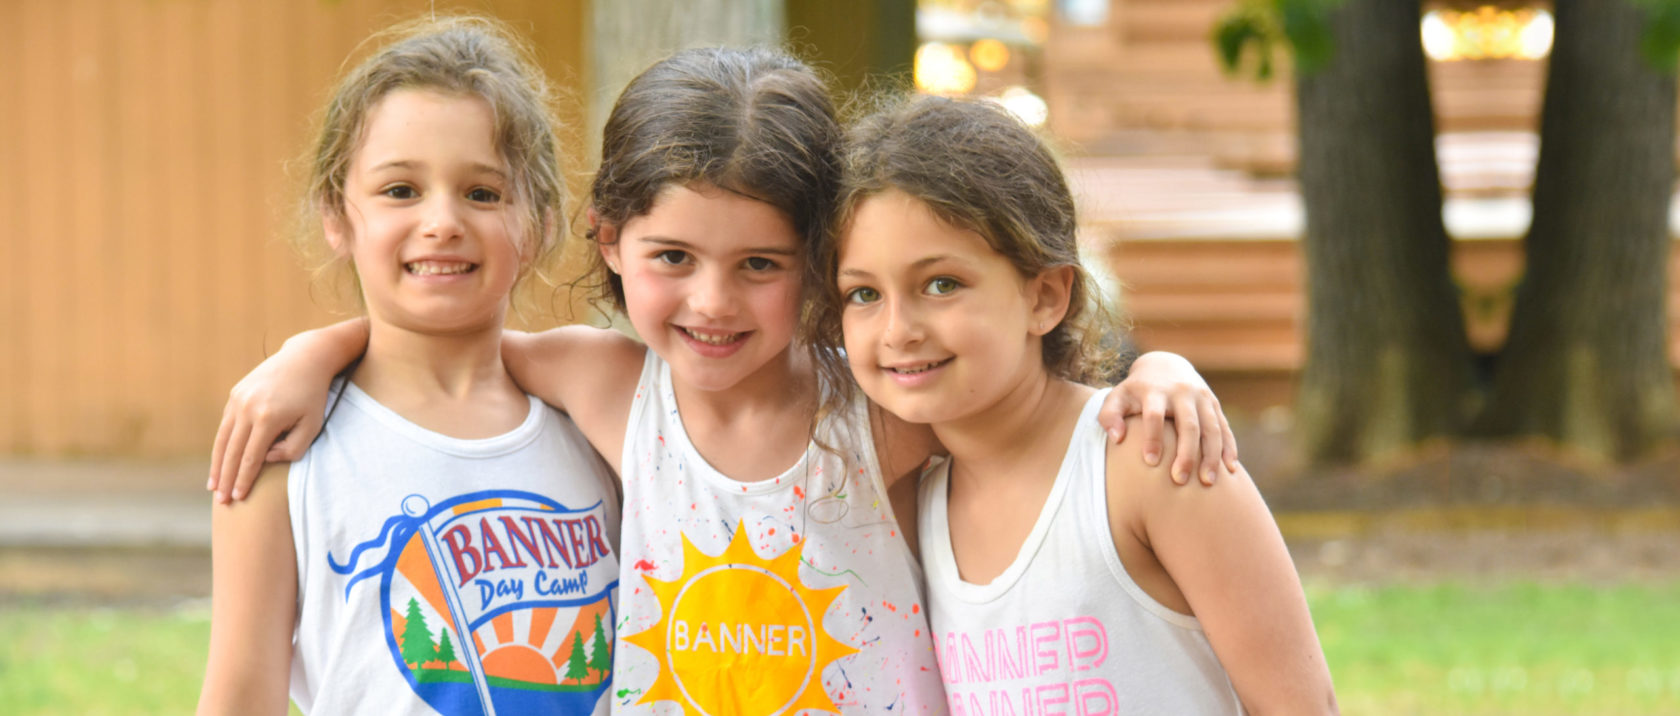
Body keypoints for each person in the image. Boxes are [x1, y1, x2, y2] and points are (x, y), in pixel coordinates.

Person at [204, 47, 1238, 714]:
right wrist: (311, 354)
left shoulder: (877, 407)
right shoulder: (610, 386)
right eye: (671, 260)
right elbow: (442, 344)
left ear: (818, 262)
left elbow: (1024, 400)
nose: (713, 303)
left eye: (761, 264)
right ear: (609, 241)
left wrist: (1158, 369)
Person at [816, 95, 1338, 714]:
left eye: (942, 284)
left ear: (1045, 297)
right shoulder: (913, 492)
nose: (898, 329)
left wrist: (1163, 365)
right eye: (864, 293)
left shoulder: (1149, 460)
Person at [196, 17, 620, 715]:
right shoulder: (284, 446)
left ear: (540, 223)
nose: (443, 221)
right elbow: (242, 696)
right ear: (338, 214)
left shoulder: (593, 423)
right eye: (400, 191)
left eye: (484, 193)